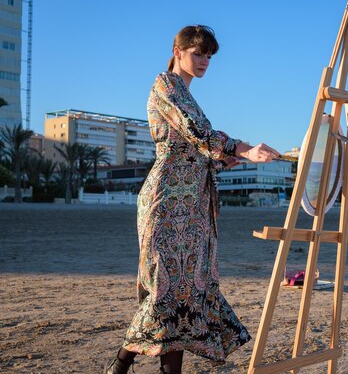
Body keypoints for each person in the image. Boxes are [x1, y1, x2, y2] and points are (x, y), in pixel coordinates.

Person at [104, 25, 280, 374]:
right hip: (167, 202)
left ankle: (119, 365)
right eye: (198, 53)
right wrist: (241, 148)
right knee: (166, 291)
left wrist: (242, 154)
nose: (204, 61)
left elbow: (204, 145)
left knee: (184, 292)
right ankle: (121, 364)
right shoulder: (166, 85)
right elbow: (198, 132)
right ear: (178, 50)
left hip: (194, 205)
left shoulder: (189, 95)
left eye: (209, 56)